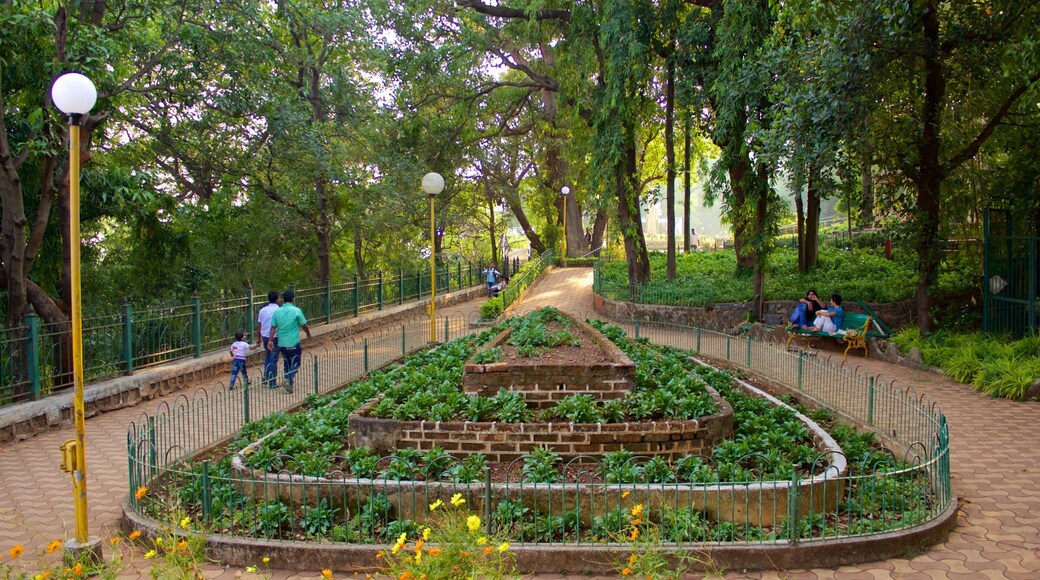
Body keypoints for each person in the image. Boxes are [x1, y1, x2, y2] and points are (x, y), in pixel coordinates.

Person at [268, 290, 311, 393]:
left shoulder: (277, 311)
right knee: (296, 362)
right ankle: (288, 379)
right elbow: (303, 324)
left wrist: (270, 340)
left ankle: (289, 386)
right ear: (292, 299)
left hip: (282, 343)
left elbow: (273, 327)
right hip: (293, 342)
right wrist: (308, 333)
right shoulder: (296, 311)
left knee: (287, 363)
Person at [256, 290, 281, 389]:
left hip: (264, 336)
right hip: (274, 336)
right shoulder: (279, 310)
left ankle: (266, 376)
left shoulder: (263, 310)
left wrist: (258, 337)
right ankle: (272, 382)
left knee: (268, 355)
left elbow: (259, 325)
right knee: (273, 359)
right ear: (277, 299)